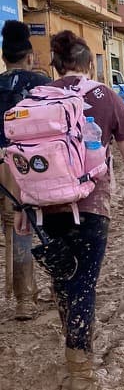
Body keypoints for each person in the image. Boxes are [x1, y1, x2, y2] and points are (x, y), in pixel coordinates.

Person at [14, 30, 124, 390]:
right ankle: (80, 368)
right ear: (90, 63)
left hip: (42, 205)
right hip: (90, 204)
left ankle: (75, 339)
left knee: (62, 278)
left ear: (55, 64)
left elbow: (15, 158)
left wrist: (20, 206)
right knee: (84, 281)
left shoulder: (36, 97)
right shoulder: (105, 97)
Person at [0, 20, 52, 320]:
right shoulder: (42, 87)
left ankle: (23, 298)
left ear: (4, 56)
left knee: (14, 226)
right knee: (38, 225)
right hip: (34, 166)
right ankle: (38, 294)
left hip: (2, 166)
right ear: (30, 56)